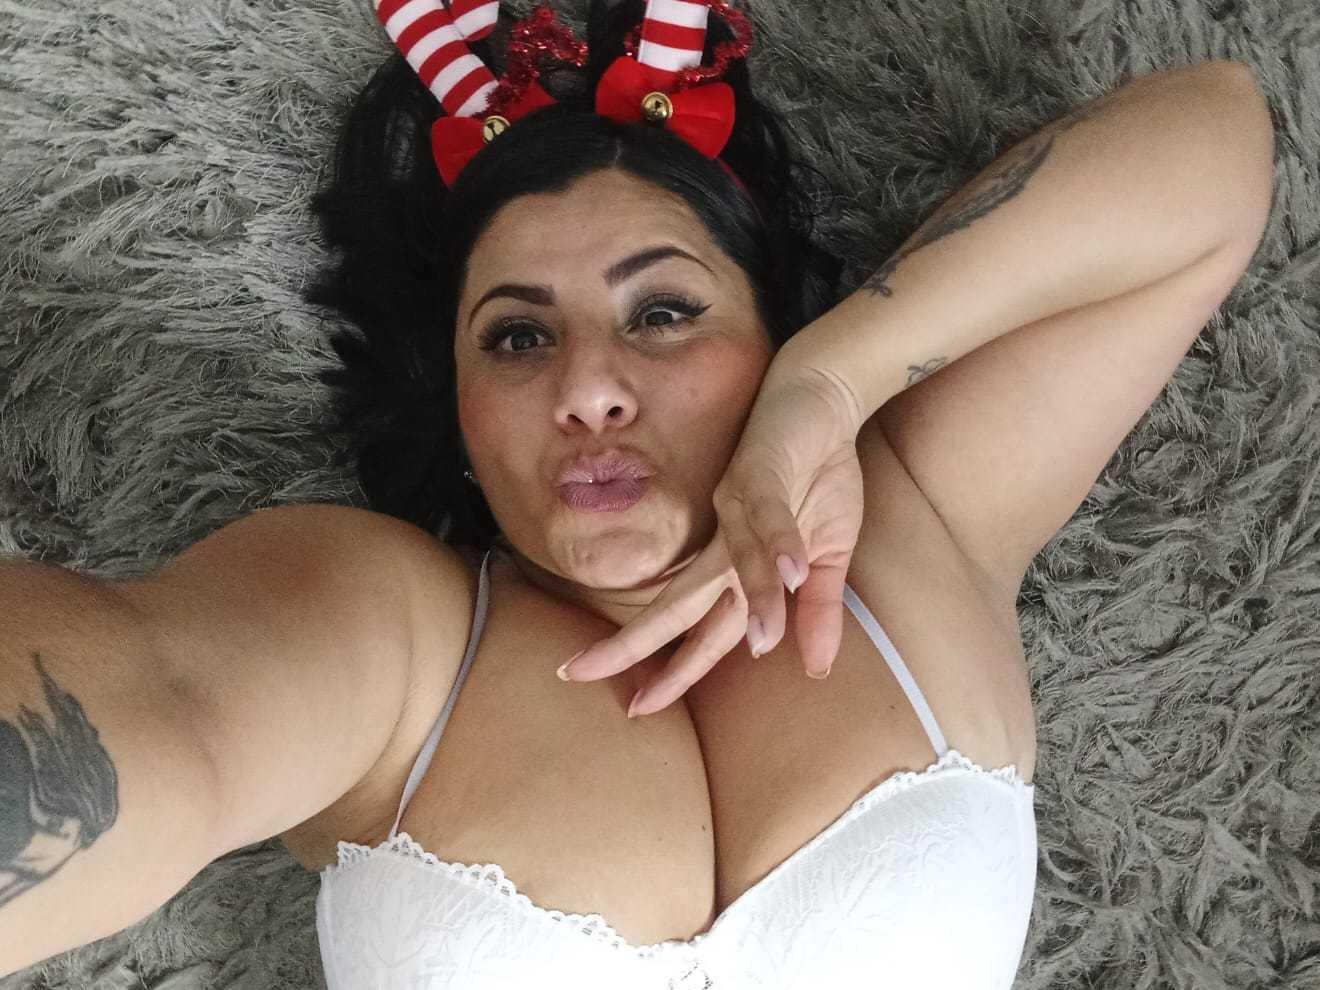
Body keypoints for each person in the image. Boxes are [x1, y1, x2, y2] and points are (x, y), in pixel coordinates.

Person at [0, 0, 1273, 985]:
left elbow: (1214, 135)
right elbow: (162, 702)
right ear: (457, 414)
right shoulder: (392, 627)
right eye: (516, 337)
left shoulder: (917, 515)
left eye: (663, 312)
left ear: (770, 337)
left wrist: (834, 385)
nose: (590, 388)